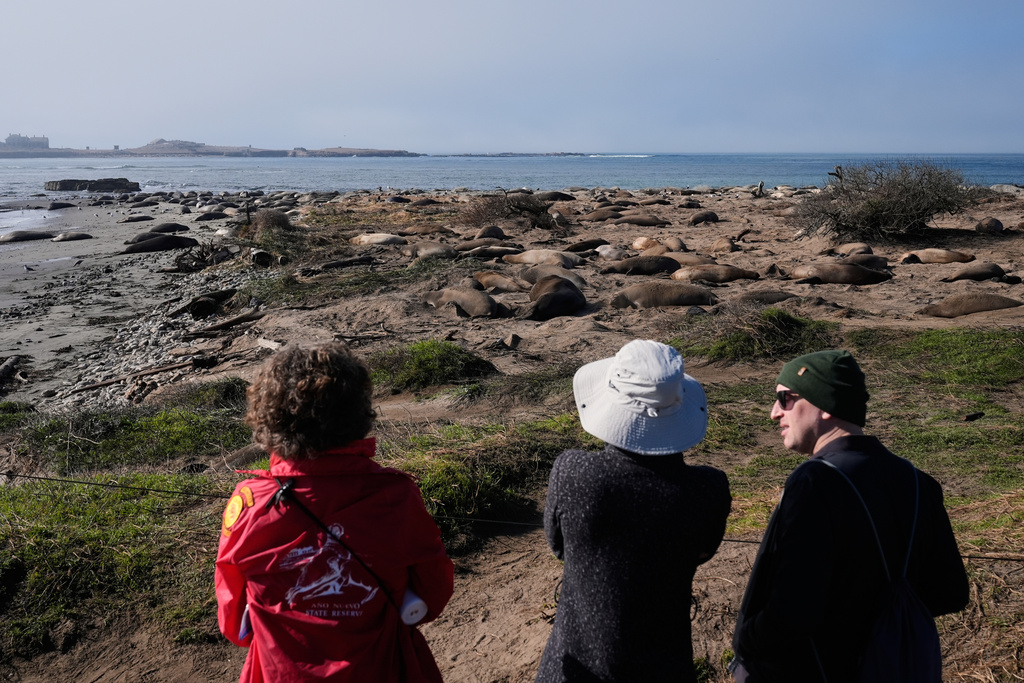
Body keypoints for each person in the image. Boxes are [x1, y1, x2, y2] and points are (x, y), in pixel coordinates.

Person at [215, 342, 454, 682]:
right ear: (358, 413)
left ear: (269, 420)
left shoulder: (249, 503)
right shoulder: (396, 495)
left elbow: (233, 621)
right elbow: (433, 595)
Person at [731, 349, 969, 682]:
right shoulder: (919, 482)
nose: (774, 413)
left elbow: (794, 611)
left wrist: (745, 641)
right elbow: (951, 592)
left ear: (824, 405)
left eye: (785, 399)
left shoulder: (815, 482)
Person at [535, 340, 732, 683]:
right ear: (680, 401)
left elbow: (558, 547)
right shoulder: (709, 488)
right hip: (665, 667)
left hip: (577, 666)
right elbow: (702, 552)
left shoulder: (573, 472)